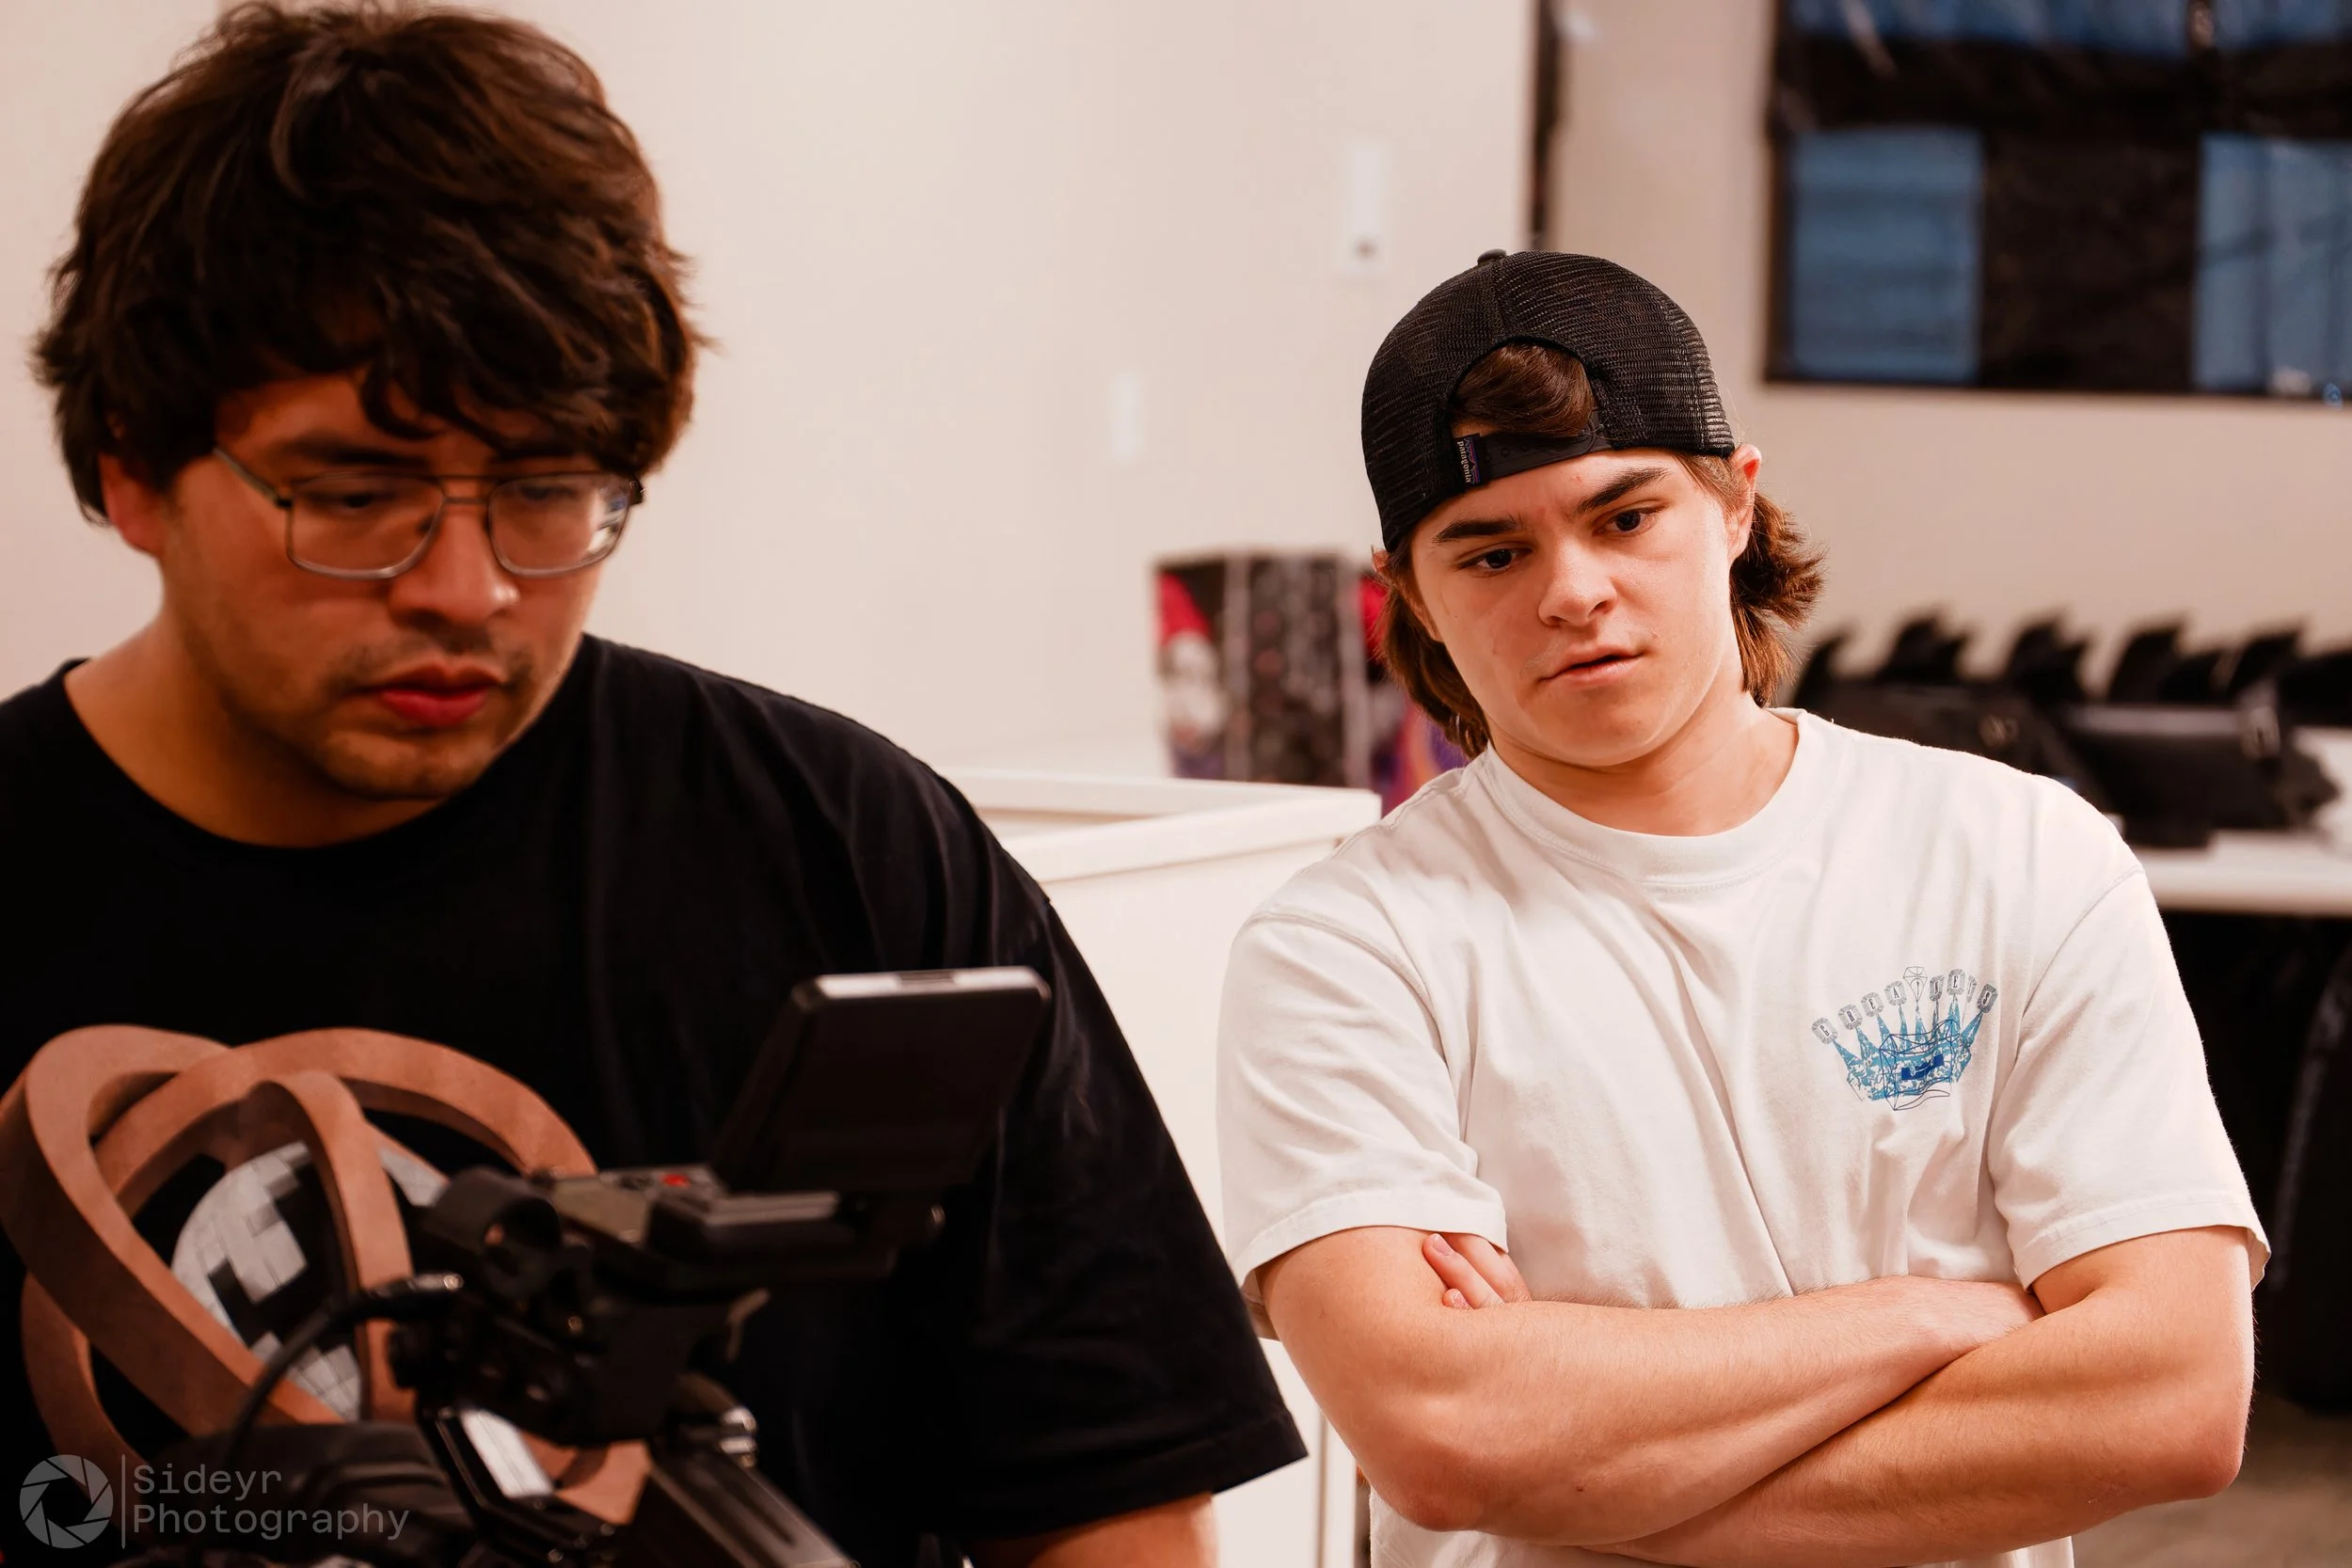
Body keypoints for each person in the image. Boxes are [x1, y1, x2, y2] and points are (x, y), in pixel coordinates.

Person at [0, 7, 1304, 1565]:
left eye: (548, 490)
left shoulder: (855, 855)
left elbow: (1112, 1514)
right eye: (354, 495)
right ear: (132, 465)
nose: (469, 588)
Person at [1216, 250, 2265, 1568]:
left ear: (1733, 505)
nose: (1572, 591)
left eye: (1625, 517)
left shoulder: (2020, 855)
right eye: (1492, 550)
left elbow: (2173, 1400)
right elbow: (1445, 1438)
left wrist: (1579, 1457)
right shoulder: (1344, 950)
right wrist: (1931, 1316)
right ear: (1411, 591)